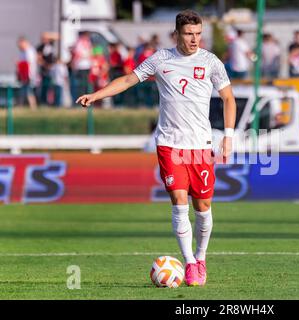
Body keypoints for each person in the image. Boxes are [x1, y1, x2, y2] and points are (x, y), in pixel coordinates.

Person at [76, 10, 237, 287]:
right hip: (169, 143)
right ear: (177, 34)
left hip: (200, 145)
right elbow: (127, 80)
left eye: (198, 34)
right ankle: (189, 264)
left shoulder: (211, 62)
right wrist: (97, 94)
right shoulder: (161, 59)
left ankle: (201, 257)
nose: (194, 39)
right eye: (189, 34)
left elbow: (228, 98)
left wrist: (229, 136)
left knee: (203, 207)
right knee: (178, 200)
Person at [17, 36, 38, 110]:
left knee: (29, 91)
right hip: (24, 75)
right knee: (24, 90)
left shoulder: (29, 51)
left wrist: (27, 75)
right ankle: (21, 106)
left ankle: (32, 107)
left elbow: (29, 64)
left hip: (29, 75)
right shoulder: (23, 52)